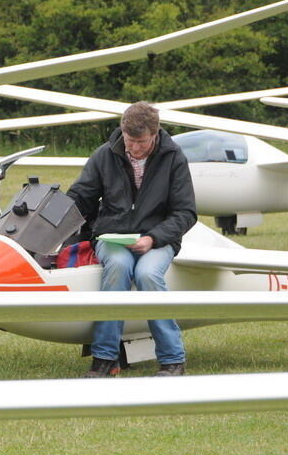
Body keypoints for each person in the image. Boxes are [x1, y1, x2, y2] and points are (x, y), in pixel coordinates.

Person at [66, 101, 197, 377]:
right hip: (112, 238)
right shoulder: (104, 155)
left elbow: (186, 213)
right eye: (129, 140)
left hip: (158, 240)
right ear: (122, 132)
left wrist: (153, 238)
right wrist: (54, 214)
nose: (134, 148)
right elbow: (81, 197)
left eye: (141, 142)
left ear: (155, 133)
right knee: (118, 268)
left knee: (148, 274)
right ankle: (104, 358)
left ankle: (173, 360)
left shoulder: (175, 158)